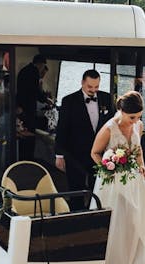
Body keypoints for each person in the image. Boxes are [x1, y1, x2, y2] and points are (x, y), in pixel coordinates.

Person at [90, 91, 145, 264]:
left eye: (139, 117)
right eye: (132, 117)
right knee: (116, 223)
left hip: (134, 181)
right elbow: (95, 153)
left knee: (135, 221)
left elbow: (137, 149)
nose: (135, 121)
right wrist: (107, 167)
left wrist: (141, 165)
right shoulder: (109, 128)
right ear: (121, 111)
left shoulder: (138, 126)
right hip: (111, 182)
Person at [55, 69, 115, 210]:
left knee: (98, 187)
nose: (93, 90)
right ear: (82, 83)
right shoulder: (69, 101)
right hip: (75, 153)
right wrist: (59, 155)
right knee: (76, 188)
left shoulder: (107, 98)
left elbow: (112, 125)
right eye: (90, 87)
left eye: (96, 87)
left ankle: (95, 215)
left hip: (99, 153)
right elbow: (62, 129)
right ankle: (76, 218)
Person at [16, 54, 48, 160]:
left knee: (22, 134)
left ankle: (22, 158)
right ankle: (28, 159)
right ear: (40, 64)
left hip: (21, 107)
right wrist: (45, 99)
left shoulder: (23, 71)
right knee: (29, 135)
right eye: (43, 66)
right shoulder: (33, 72)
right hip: (28, 108)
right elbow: (35, 91)